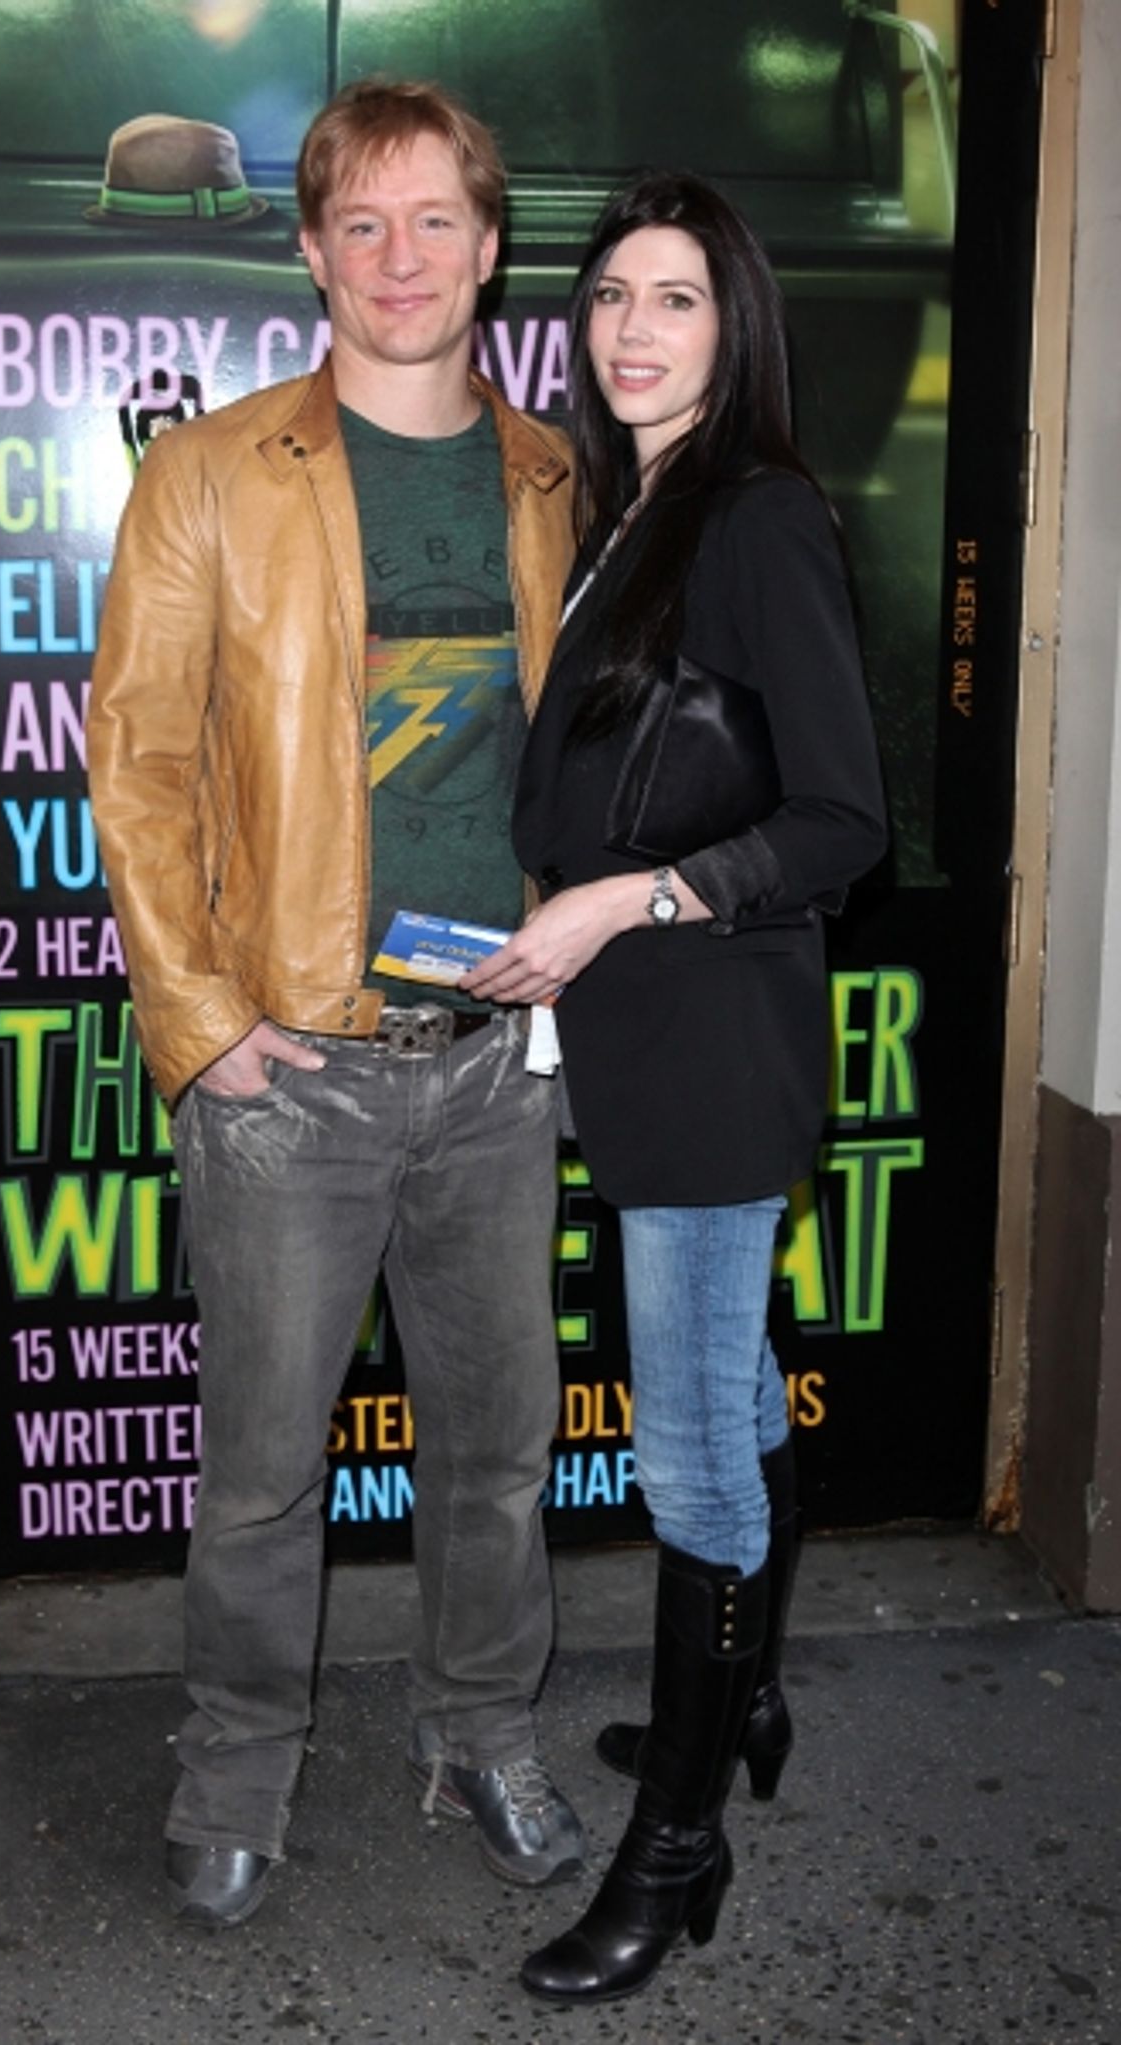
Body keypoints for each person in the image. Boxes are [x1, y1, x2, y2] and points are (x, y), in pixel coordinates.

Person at [86, 78, 585, 1931]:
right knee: (261, 1471)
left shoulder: (552, 479)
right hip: (289, 1068)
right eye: (361, 224)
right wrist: (203, 1022)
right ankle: (234, 1767)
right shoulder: (210, 473)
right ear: (307, 249)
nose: (400, 259)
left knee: (497, 1453)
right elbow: (129, 763)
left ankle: (481, 1731)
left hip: (494, 1068)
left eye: (435, 219)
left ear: (487, 245)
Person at [463, 170, 887, 2002]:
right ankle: (753, 1694)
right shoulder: (638, 506)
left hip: (709, 1050)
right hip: (648, 1041)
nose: (633, 330)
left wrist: (628, 897)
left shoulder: (756, 515)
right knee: (726, 1397)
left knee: (696, 1448)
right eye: (612, 295)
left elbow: (843, 822)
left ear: (739, 326)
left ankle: (678, 1848)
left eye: (679, 300)